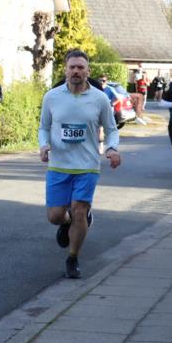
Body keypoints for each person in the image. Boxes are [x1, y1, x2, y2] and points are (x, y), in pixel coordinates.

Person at [39, 49, 120, 279]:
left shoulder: (100, 98)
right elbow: (44, 127)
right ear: (65, 70)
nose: (76, 71)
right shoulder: (52, 97)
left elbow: (112, 130)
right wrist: (44, 145)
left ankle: (72, 258)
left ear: (87, 71)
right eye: (72, 67)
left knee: (79, 210)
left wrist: (112, 149)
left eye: (80, 67)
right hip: (58, 165)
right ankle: (69, 223)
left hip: (87, 166)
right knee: (55, 216)